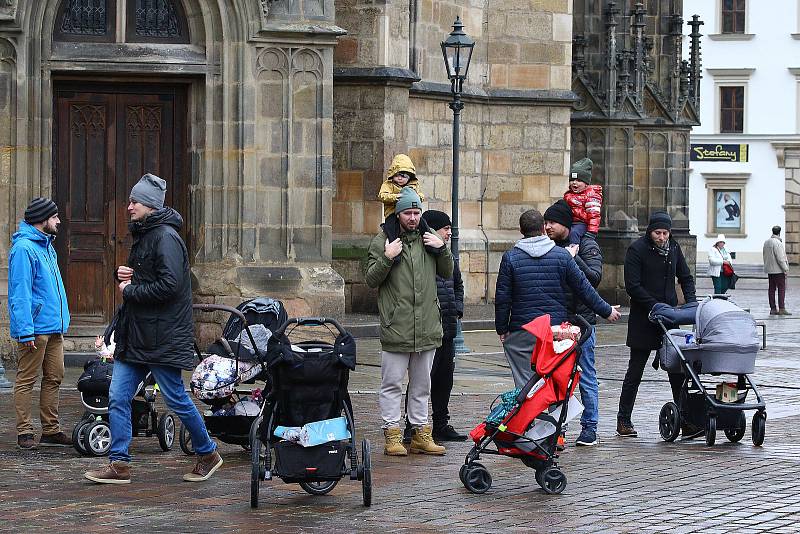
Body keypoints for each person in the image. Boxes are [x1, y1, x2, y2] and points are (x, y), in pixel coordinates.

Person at [84, 173, 222, 484]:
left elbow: (170, 286)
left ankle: (207, 451)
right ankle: (119, 464)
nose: (128, 206)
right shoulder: (146, 235)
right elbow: (149, 278)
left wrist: (130, 289)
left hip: (161, 337)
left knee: (175, 398)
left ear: (149, 205)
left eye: (134, 201)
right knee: (118, 395)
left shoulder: (165, 237)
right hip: (138, 335)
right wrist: (126, 275)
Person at [364, 187, 454, 456]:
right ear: (398, 213)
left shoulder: (429, 239)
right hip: (397, 325)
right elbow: (371, 279)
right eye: (408, 213)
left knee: (421, 384)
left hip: (426, 324)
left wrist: (442, 249)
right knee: (391, 383)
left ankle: (420, 434)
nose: (413, 218)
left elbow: (448, 272)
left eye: (416, 212)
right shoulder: (383, 240)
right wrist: (387, 257)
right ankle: (392, 434)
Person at [495, 209, 620, 390]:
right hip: (555, 331)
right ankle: (553, 417)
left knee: (525, 384)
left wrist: (502, 328)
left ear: (521, 230)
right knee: (555, 382)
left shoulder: (510, 258)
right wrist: (606, 311)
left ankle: (529, 415)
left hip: (523, 328)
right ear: (543, 229)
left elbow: (503, 298)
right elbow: (584, 288)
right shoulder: (562, 256)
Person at [617, 211, 697, 438]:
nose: (662, 237)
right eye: (657, 233)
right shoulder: (637, 250)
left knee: (677, 370)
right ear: (649, 231)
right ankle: (623, 419)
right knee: (635, 371)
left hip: (670, 318)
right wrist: (654, 305)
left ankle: (686, 419)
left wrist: (691, 304)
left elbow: (686, 277)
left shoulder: (673, 248)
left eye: (665, 233)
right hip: (645, 317)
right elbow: (633, 286)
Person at [8, 198, 71, 450]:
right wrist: (25, 330)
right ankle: (24, 432)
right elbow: (19, 292)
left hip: (54, 327)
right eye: (54, 217)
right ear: (42, 220)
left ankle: (51, 430)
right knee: (27, 379)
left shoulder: (46, 246)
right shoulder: (24, 248)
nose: (58, 221)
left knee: (55, 376)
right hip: (35, 329)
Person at [402, 210, 466, 444]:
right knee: (421, 379)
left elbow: (457, 284)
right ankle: (412, 426)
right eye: (445, 228)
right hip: (429, 329)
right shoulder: (422, 255)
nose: (449, 232)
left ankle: (440, 423)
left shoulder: (446, 254)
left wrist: (458, 308)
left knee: (443, 380)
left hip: (447, 328)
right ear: (433, 230)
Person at [544, 199, 604, 447]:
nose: (547, 227)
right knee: (557, 377)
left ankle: (590, 427)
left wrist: (574, 260)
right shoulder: (548, 246)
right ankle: (559, 428)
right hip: (558, 322)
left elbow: (595, 279)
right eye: (545, 222)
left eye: (552, 223)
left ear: (565, 224)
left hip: (582, 323)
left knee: (587, 376)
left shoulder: (586, 245)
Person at [563, 157, 603, 245]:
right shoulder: (568, 195)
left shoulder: (591, 194)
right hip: (570, 222)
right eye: (572, 180)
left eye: (578, 180)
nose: (574, 183)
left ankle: (574, 251)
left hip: (582, 224)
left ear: (586, 183)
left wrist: (592, 232)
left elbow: (594, 214)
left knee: (574, 233)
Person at [763, 225, 791, 315]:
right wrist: (785, 269)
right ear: (779, 232)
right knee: (781, 289)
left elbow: (764, 256)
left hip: (770, 270)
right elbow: (780, 258)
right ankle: (782, 308)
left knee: (771, 289)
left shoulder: (766, 242)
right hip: (778, 270)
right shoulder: (777, 243)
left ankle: (773, 308)